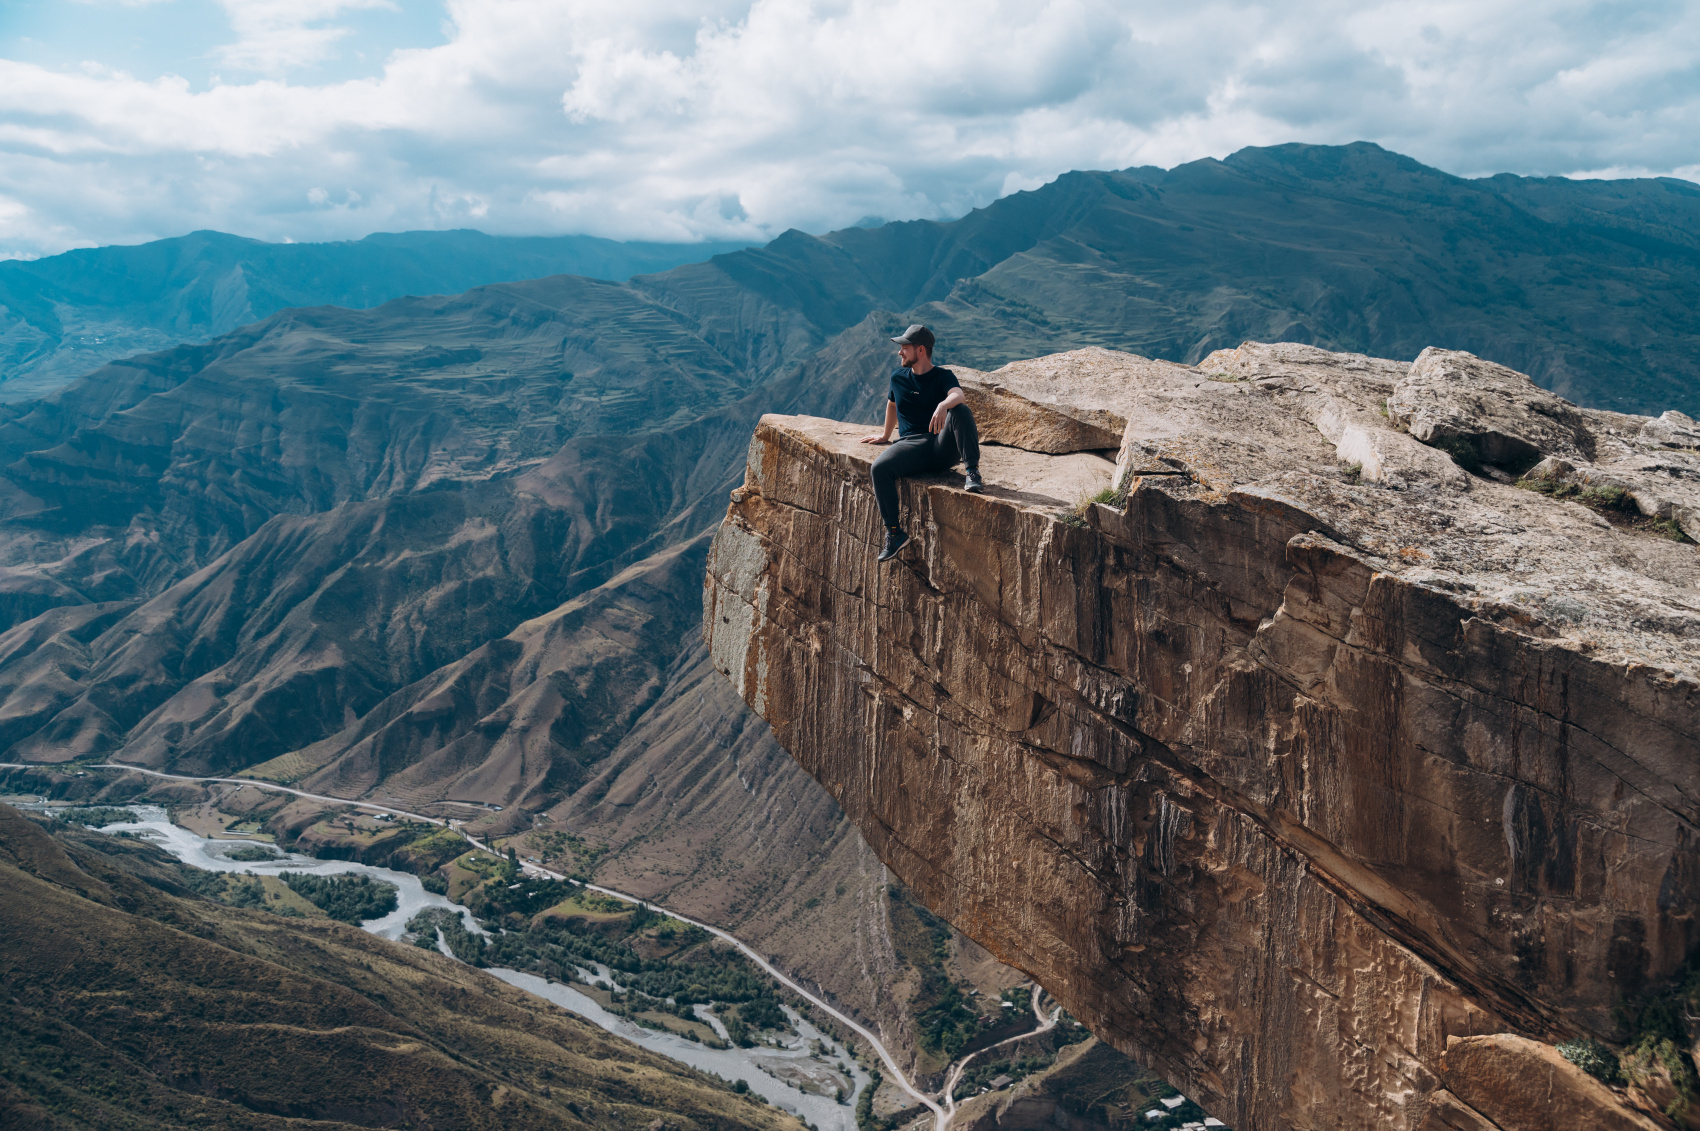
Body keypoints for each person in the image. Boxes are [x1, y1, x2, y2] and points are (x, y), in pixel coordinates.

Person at [859, 324, 984, 562]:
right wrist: (885, 436)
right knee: (879, 468)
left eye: (905, 347)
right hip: (911, 446)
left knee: (961, 410)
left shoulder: (942, 376)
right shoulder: (898, 377)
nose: (900, 352)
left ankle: (972, 472)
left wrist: (943, 405)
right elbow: (892, 404)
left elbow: (958, 395)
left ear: (921, 350)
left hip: (941, 447)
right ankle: (894, 534)